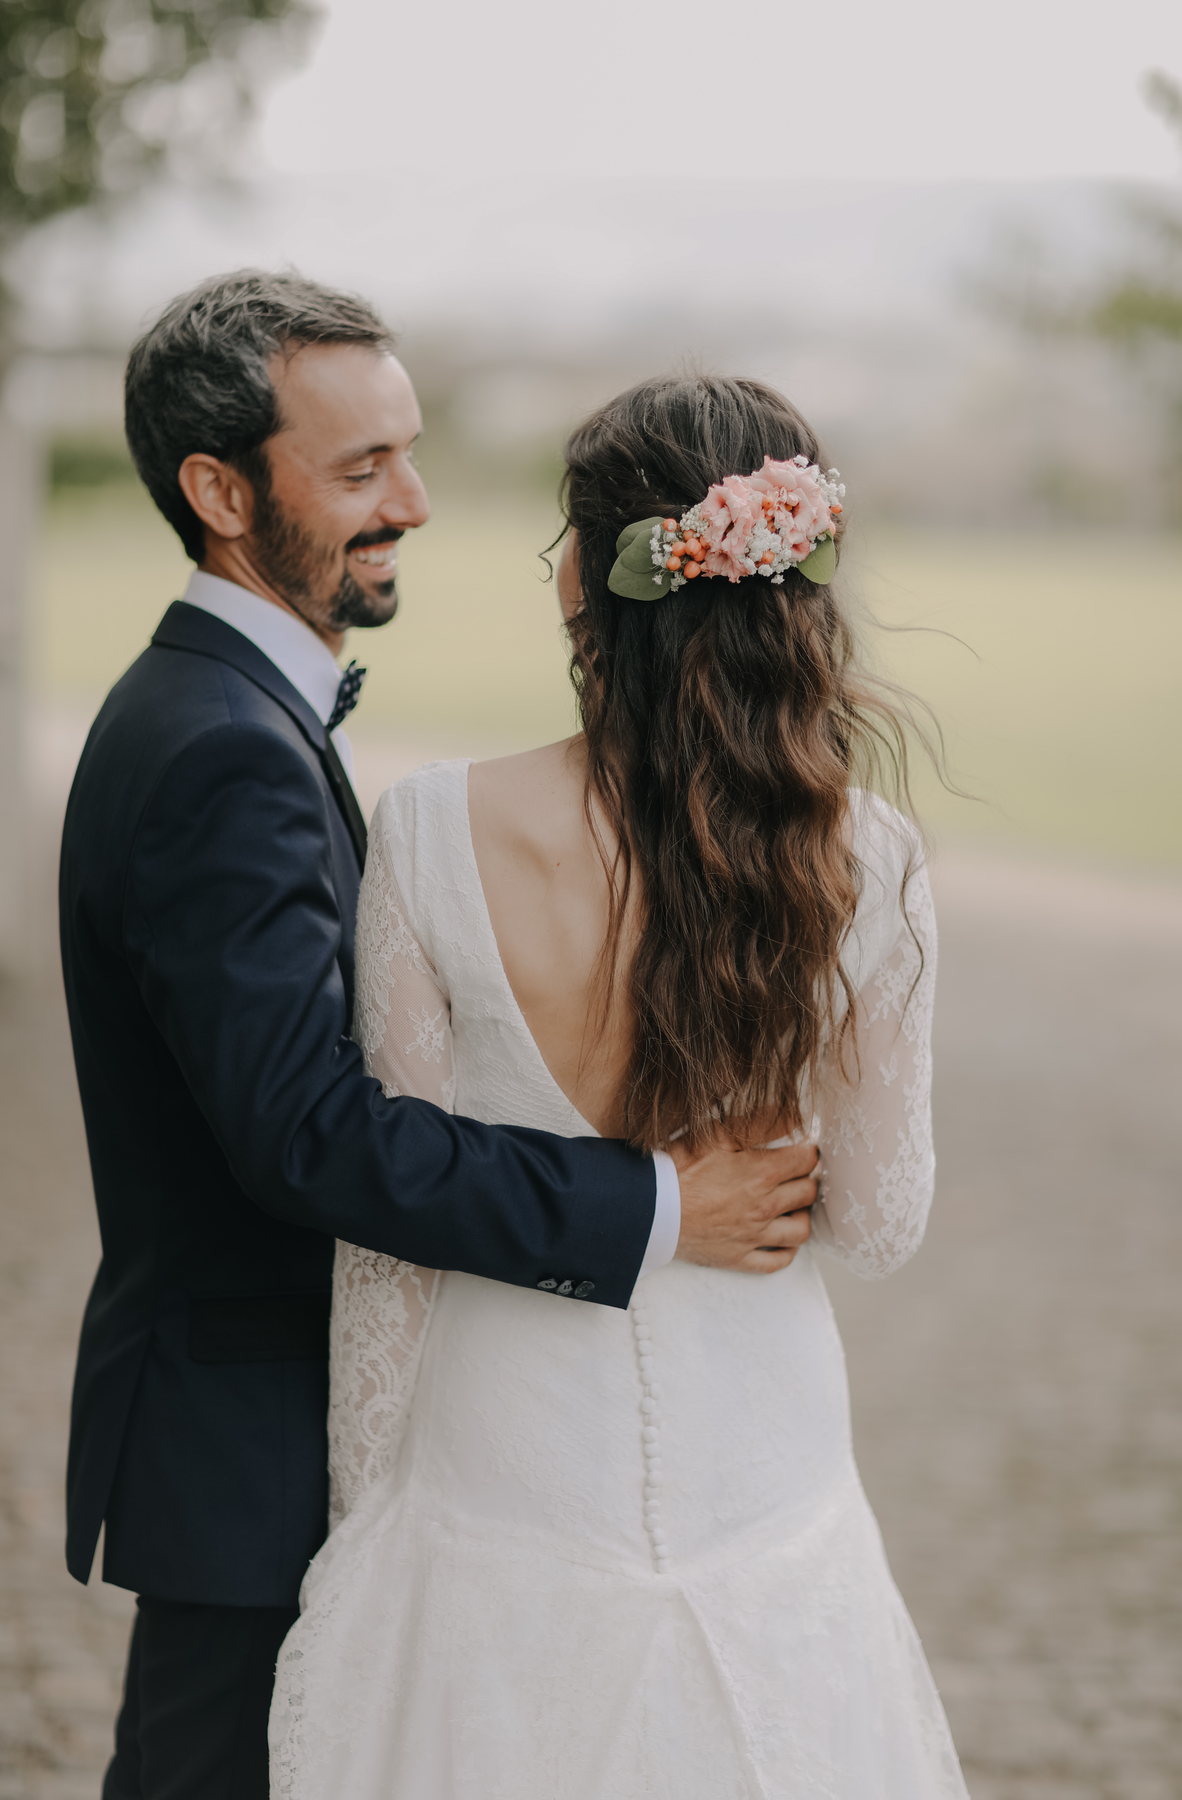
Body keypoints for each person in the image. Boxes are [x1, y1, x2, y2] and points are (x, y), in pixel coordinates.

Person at [58, 274, 819, 1800]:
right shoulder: (222, 753)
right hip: (251, 1439)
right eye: (358, 471)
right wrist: (660, 1204)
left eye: (406, 453)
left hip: (257, 1427)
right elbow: (305, 1137)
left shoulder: (235, 717)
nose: (411, 500)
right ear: (218, 491)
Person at [267, 374, 970, 1800]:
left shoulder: (433, 826)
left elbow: (389, 1226)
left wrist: (365, 1516)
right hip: (759, 1453)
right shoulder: (871, 857)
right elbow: (885, 1220)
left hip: (503, 1448)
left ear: (585, 576)